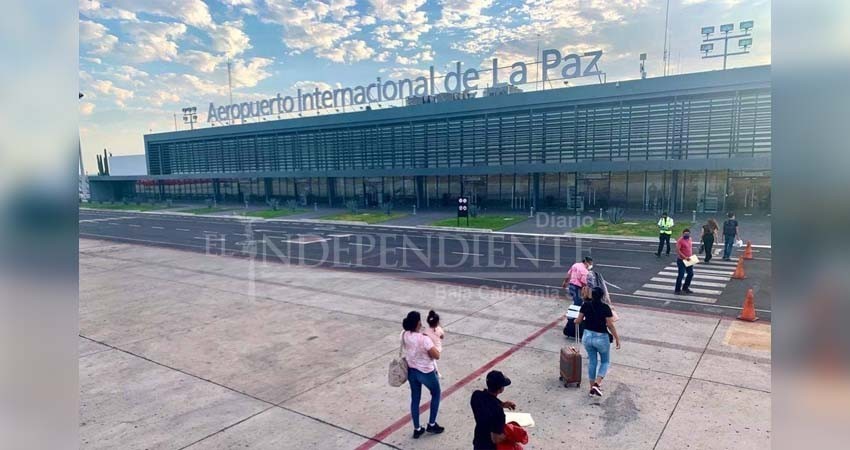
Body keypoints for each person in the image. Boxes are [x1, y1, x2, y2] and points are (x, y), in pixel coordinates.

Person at [401, 311, 444, 438]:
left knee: (415, 398)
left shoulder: (404, 334)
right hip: (426, 371)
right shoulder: (424, 339)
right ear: (418, 323)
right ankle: (431, 424)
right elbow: (437, 355)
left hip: (411, 371)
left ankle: (417, 428)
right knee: (436, 393)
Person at [575, 287, 621, 397]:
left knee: (592, 361)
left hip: (587, 336)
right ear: (602, 296)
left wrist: (575, 321)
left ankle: (592, 388)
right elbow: (610, 325)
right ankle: (597, 383)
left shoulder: (585, 305)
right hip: (601, 338)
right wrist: (617, 338)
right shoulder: (605, 307)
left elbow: (578, 320)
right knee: (605, 361)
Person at [470, 370, 517, 450]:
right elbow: (496, 439)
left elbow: (487, 401)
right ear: (500, 389)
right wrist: (511, 434)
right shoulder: (498, 413)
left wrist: (501, 404)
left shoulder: (476, 395)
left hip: (478, 441)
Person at [422, 310, 445, 378]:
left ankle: (436, 371)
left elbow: (424, 337)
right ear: (438, 322)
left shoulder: (426, 331)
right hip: (437, 348)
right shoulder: (439, 329)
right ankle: (436, 372)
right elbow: (442, 336)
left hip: (430, 349)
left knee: (432, 360)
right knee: (432, 360)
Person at [675, 228, 695, 294]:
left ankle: (685, 287)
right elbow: (678, 250)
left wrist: (691, 256)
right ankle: (677, 289)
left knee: (691, 274)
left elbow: (690, 248)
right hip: (681, 260)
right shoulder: (680, 241)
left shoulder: (690, 239)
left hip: (689, 259)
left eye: (688, 234)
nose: (686, 235)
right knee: (681, 275)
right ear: (683, 234)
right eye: (685, 234)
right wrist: (685, 257)